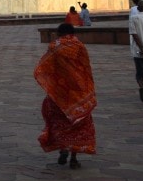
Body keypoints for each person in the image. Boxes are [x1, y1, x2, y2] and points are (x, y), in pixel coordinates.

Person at [33, 23, 97, 169]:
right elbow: (86, 68)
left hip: (59, 93)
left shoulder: (55, 46)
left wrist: (52, 82)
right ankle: (74, 158)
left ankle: (63, 149)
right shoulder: (79, 46)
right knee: (78, 123)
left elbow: (43, 68)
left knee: (60, 123)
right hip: (79, 93)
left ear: (59, 33)